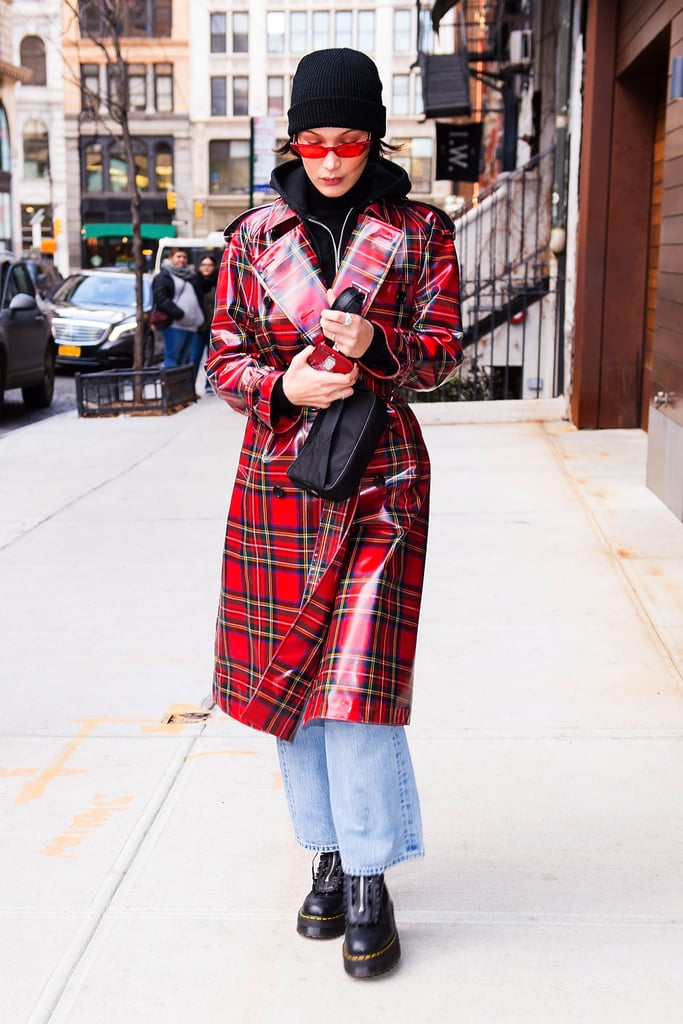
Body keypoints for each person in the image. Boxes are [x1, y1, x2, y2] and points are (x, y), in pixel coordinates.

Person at [206, 48, 462, 980]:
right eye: (310, 140)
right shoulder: (252, 235)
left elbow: (442, 351)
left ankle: (367, 877)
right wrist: (283, 385)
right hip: (278, 478)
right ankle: (323, 852)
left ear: (373, 138)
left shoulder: (421, 231)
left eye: (346, 140)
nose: (327, 157)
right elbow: (221, 355)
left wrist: (379, 343)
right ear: (292, 141)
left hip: (382, 478)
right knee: (290, 694)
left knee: (357, 689)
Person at [151, 248, 205, 367]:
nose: (182, 260)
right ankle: (169, 385)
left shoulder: (190, 276)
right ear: (171, 258)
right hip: (174, 324)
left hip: (191, 326)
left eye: (184, 257)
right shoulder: (164, 276)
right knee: (172, 358)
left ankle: (178, 386)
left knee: (183, 360)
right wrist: (178, 314)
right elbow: (160, 299)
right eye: (178, 256)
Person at [189, 253, 219, 388]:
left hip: (214, 327)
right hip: (198, 326)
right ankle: (190, 386)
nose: (206, 268)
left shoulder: (218, 282)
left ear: (214, 267)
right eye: (203, 265)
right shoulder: (193, 282)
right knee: (194, 356)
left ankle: (209, 385)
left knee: (212, 359)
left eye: (209, 265)